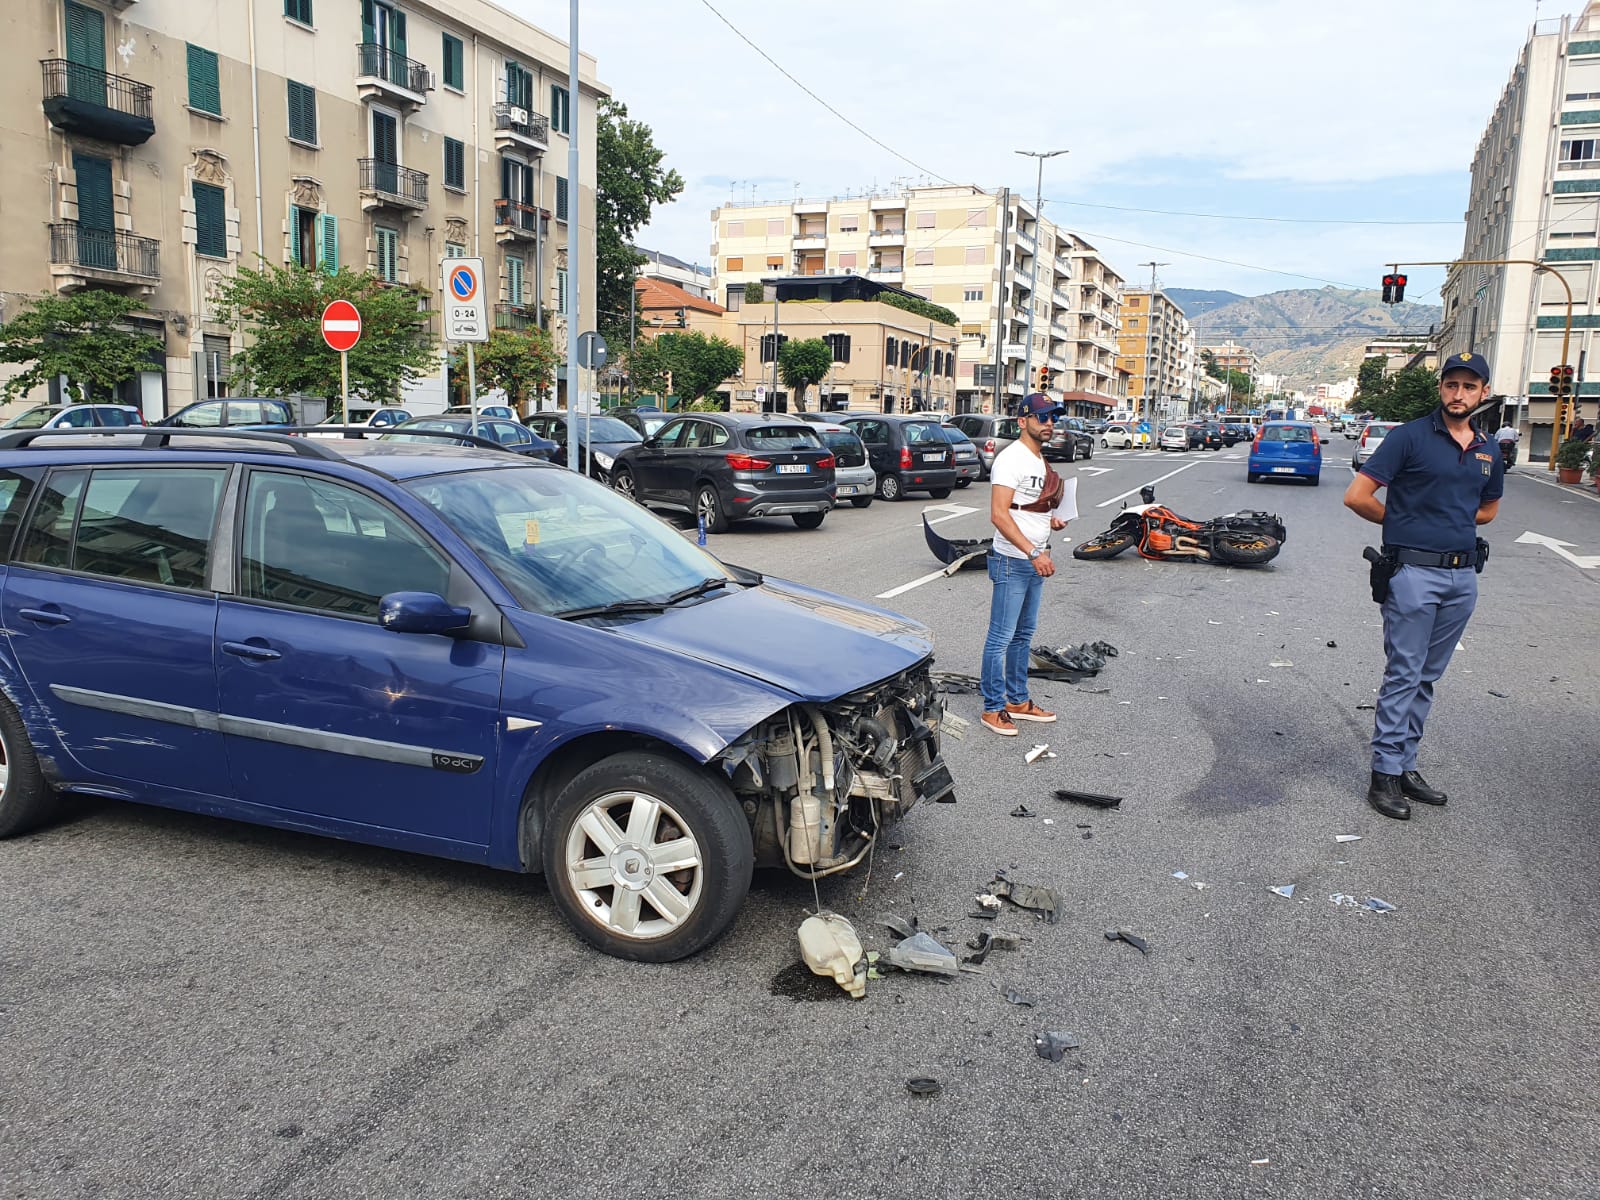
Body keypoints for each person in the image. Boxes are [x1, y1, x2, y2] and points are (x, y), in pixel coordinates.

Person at [1342, 350, 1504, 820]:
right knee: (1404, 674)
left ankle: (1406, 765)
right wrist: (1410, 522)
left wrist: (1446, 520)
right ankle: (1384, 774)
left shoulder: (1487, 448)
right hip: (1413, 574)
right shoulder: (1408, 438)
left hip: (1462, 577)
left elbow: (1489, 509)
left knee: (1428, 678)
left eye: (1469, 387)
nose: (1459, 394)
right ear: (1442, 389)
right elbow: (1357, 496)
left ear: (1482, 393)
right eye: (1452, 385)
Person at [980, 392, 1070, 736]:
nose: (1049, 424)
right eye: (1042, 417)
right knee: (1000, 638)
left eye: (1053, 418)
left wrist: (1052, 520)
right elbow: (999, 515)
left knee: (1023, 636)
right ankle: (992, 707)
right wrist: (1033, 553)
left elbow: (1027, 507)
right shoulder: (1011, 459)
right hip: (1014, 560)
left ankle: (1018, 700)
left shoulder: (1039, 461)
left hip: (1035, 559)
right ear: (1023, 421)